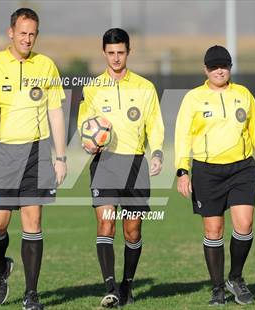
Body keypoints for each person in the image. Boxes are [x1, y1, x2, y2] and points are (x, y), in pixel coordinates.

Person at [0, 8, 66, 310]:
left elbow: (56, 112)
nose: (27, 39)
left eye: (32, 33)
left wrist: (60, 156)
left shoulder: (46, 65)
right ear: (11, 32)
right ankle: (0, 268)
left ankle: (31, 295)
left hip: (36, 152)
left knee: (33, 222)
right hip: (2, 152)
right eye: (22, 33)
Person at [175, 45, 255, 306]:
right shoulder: (193, 98)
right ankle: (218, 288)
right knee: (214, 229)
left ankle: (236, 278)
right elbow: (183, 135)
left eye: (224, 66)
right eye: (214, 66)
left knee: (244, 224)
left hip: (242, 168)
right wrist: (182, 170)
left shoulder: (243, 94)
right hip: (207, 171)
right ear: (205, 69)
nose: (219, 70)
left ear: (230, 67)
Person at [77, 28, 164, 308]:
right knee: (105, 224)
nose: (116, 58)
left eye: (121, 52)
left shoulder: (145, 87)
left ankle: (127, 283)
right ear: (104, 53)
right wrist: (87, 143)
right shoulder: (92, 88)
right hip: (105, 163)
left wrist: (158, 152)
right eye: (111, 53)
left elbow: (155, 124)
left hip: (135, 163)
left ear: (128, 52)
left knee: (133, 231)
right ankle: (110, 287)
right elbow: (84, 126)